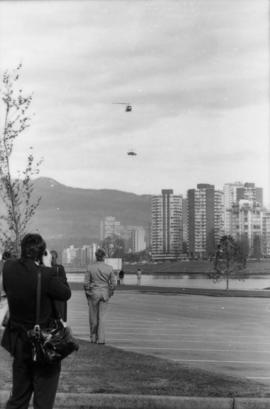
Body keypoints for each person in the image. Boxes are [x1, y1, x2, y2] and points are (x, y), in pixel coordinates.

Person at [1, 233, 71, 409]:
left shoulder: (8, 268)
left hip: (19, 342)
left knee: (18, 398)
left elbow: (15, 265)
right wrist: (49, 267)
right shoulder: (46, 275)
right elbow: (65, 293)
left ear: (22, 249)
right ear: (41, 254)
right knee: (43, 400)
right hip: (43, 343)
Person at [84, 248, 116, 344]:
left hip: (93, 293)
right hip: (104, 294)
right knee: (102, 318)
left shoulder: (90, 267)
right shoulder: (109, 268)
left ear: (96, 256)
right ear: (104, 256)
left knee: (93, 317)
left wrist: (88, 293)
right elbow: (113, 284)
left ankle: (93, 337)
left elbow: (86, 283)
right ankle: (101, 339)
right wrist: (110, 293)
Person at [50, 250, 68, 321]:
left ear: (56, 258)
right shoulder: (45, 268)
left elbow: (64, 279)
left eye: (53, 257)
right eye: (50, 257)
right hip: (51, 296)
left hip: (58, 297)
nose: (51, 259)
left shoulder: (60, 268)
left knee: (60, 314)